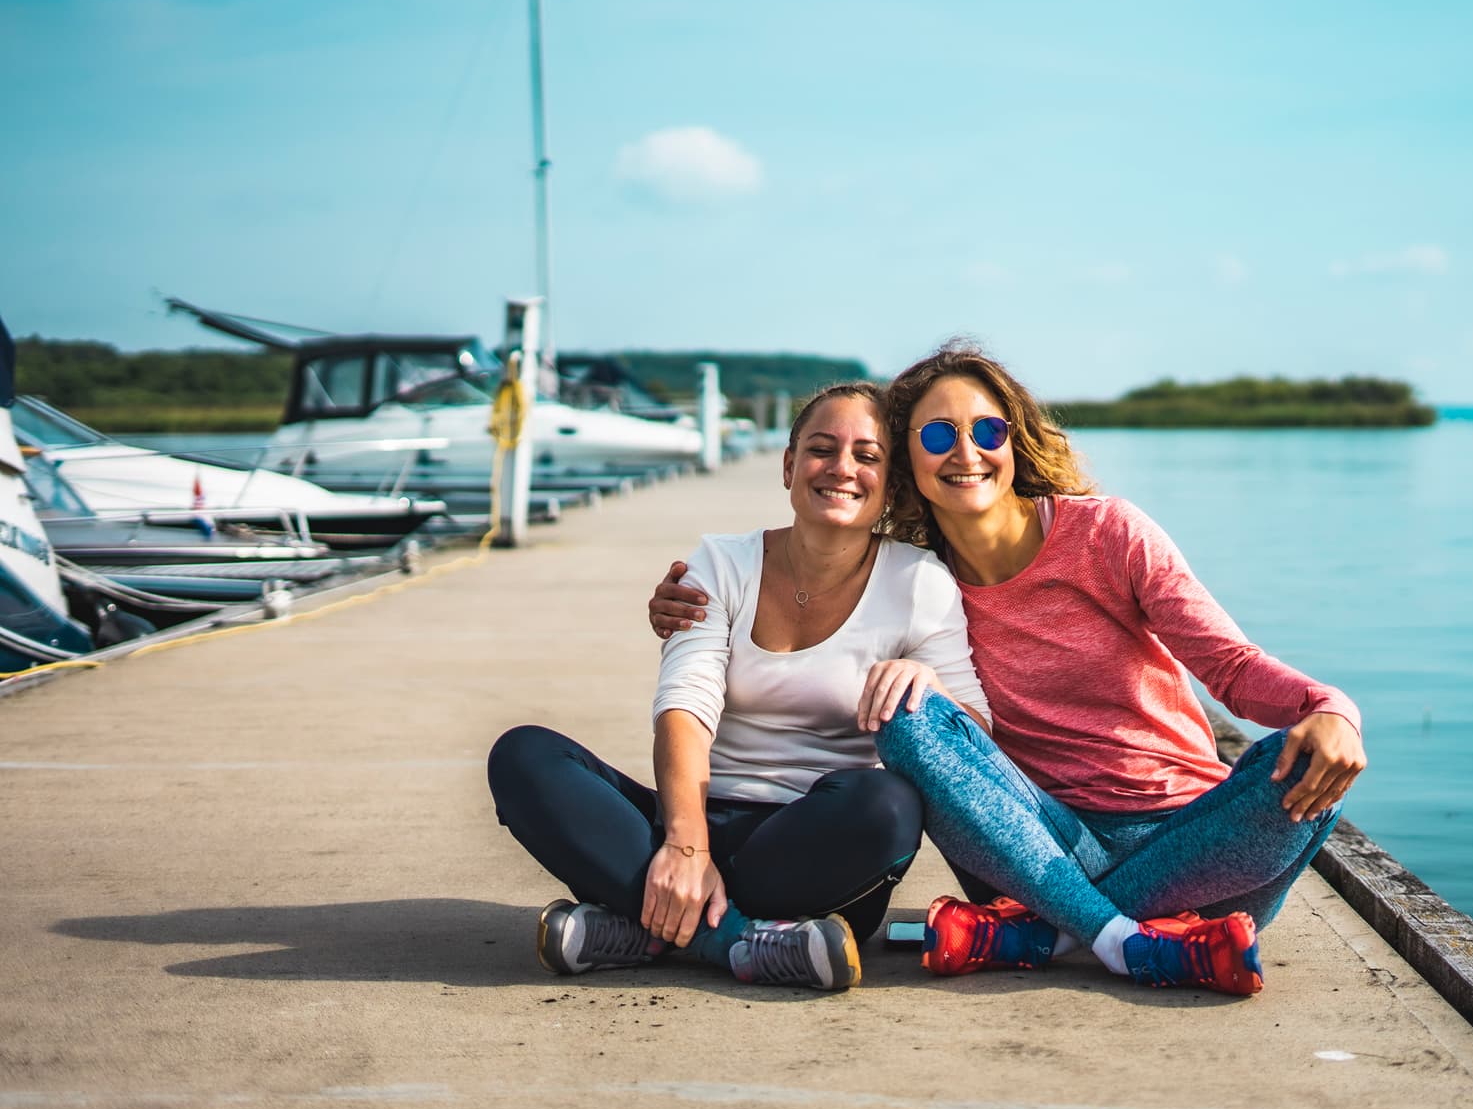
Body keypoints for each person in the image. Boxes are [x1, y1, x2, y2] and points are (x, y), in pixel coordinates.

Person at [650, 344, 1366, 997]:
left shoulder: (1111, 534)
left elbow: (1232, 669)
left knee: (1304, 768)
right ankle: (1123, 938)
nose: (966, 451)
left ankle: (1053, 933)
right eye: (936, 436)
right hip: (1030, 839)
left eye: (986, 431)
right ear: (908, 467)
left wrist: (1331, 708)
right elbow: (809, 581)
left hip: (1192, 846)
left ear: (1015, 441)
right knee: (909, 713)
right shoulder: (917, 582)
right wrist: (687, 604)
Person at [490, 382, 992, 991]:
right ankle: (741, 943)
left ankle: (644, 931)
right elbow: (685, 706)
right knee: (525, 756)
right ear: (788, 465)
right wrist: (686, 847)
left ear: (890, 482)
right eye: (822, 449)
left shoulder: (920, 583)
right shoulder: (721, 563)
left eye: (867, 456)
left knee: (889, 807)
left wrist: (930, 685)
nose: (841, 469)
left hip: (816, 844)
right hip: (688, 819)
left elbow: (976, 734)